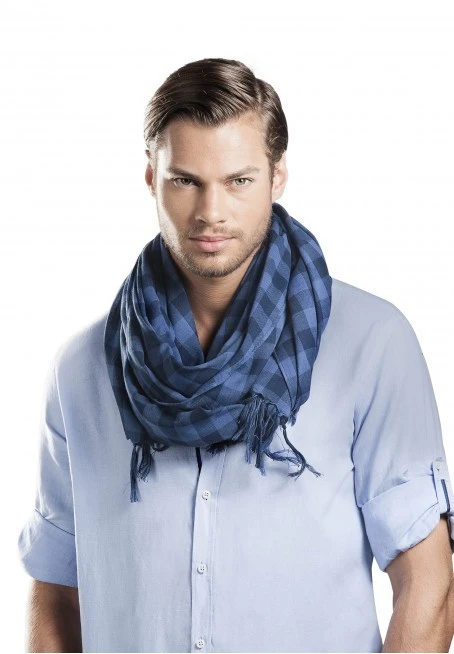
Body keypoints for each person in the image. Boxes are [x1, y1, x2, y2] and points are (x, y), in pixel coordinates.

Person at [17, 57, 454, 653]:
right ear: (150, 176)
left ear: (277, 176)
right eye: (185, 180)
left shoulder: (371, 343)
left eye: (239, 181)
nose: (211, 212)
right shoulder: (81, 369)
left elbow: (427, 577)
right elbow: (55, 588)